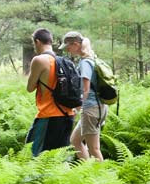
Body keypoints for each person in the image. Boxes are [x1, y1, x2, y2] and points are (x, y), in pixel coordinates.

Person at [25, 28, 75, 157]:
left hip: (49, 115)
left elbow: (30, 88)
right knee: (59, 158)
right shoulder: (65, 62)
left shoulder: (39, 60)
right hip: (68, 114)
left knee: (33, 154)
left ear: (37, 42)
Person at [60, 31, 106, 161]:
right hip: (97, 107)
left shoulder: (86, 62)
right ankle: (88, 169)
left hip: (91, 109)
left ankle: (101, 173)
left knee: (94, 148)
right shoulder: (91, 59)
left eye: (68, 47)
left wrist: (79, 105)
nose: (67, 50)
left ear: (76, 44)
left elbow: (85, 88)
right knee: (75, 140)